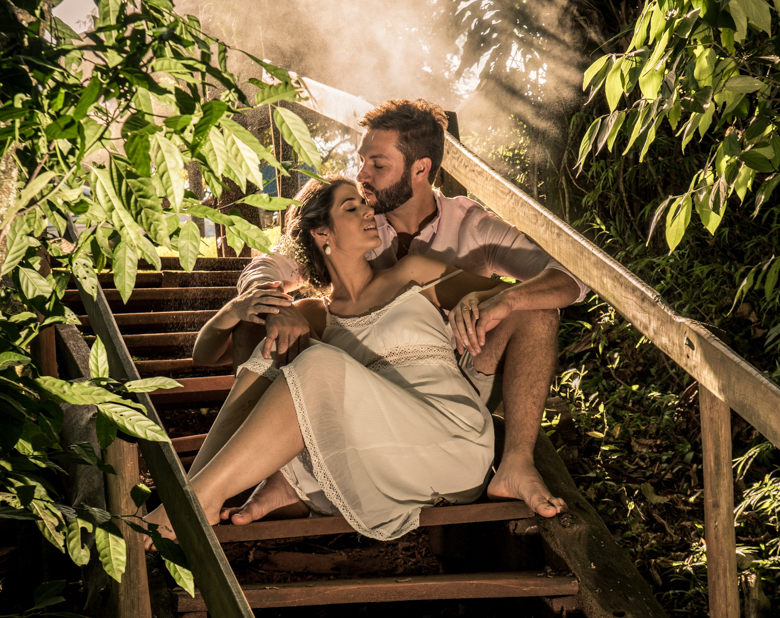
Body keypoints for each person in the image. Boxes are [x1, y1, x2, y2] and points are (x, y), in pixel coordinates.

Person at [216, 99, 587, 519]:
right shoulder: (360, 224)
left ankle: (517, 463)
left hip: (460, 373)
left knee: (537, 313)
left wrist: (505, 298)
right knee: (264, 320)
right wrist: (270, 300)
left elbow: (570, 278)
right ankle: (272, 474)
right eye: (361, 162)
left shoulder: (474, 227)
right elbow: (270, 264)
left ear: (421, 168)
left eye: (377, 164)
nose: (362, 176)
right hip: (373, 380)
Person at [146, 177, 567, 542]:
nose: (370, 212)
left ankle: (198, 499)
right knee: (278, 349)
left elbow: (531, 295)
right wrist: (240, 308)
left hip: (451, 438)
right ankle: (195, 493)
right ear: (322, 233)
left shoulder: (414, 272)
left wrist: (487, 297)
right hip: (376, 456)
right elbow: (206, 354)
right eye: (352, 207)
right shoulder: (314, 315)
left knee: (315, 364)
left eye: (365, 204)